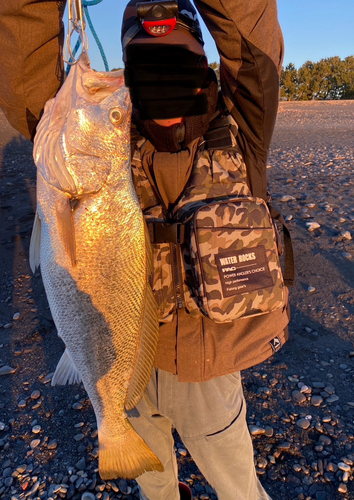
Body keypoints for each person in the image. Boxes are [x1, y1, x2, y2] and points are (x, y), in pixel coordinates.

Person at [0, 1, 290, 499]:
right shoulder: (94, 137)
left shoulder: (244, 128)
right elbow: (23, 66)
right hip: (118, 365)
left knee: (240, 487)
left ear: (201, 59)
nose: (163, 71)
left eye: (176, 54)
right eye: (145, 60)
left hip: (208, 373)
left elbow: (251, 43)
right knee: (155, 488)